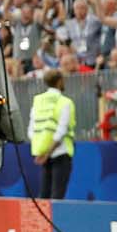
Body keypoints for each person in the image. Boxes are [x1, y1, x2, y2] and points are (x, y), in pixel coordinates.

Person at [28, 68, 76, 200]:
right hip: (60, 152)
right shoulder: (65, 102)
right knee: (57, 197)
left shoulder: (37, 101)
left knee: (44, 196)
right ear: (60, 81)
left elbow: (31, 131)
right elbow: (61, 131)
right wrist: (48, 153)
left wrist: (42, 153)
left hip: (42, 153)